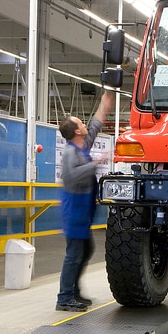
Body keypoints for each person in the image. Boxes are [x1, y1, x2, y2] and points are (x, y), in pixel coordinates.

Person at [55, 89, 114, 311]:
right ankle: (64, 298)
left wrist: (105, 104)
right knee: (74, 254)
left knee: (85, 250)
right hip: (74, 210)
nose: (84, 124)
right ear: (76, 131)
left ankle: (74, 292)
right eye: (81, 123)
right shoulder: (71, 153)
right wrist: (96, 163)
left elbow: (96, 125)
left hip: (83, 210)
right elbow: (71, 176)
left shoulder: (82, 147)